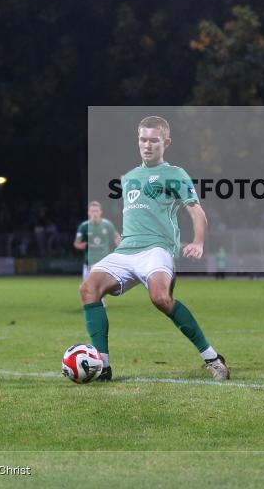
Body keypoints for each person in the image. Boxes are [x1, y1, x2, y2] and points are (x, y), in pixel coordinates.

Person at [78, 116, 229, 382]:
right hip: (126, 251)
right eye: (143, 140)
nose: (147, 145)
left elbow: (196, 211)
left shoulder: (175, 174)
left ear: (166, 142)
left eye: (153, 140)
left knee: (161, 298)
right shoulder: (129, 178)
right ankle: (103, 366)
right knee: (88, 289)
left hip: (157, 250)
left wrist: (198, 241)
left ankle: (212, 359)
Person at [73, 201, 120, 280]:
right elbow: (76, 243)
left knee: (102, 289)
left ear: (100, 212)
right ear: (88, 212)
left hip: (104, 262)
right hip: (89, 262)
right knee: (88, 290)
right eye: (92, 211)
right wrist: (81, 245)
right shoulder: (83, 227)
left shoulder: (108, 224)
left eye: (96, 211)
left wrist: (118, 246)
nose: (95, 213)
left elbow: (117, 237)